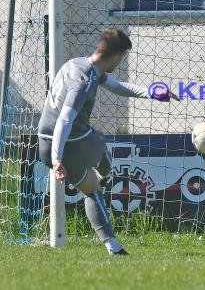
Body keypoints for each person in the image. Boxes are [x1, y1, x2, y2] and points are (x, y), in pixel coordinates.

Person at [38, 27, 178, 255]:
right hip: (71, 143)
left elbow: (116, 87)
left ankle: (113, 247)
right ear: (116, 56)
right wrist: (57, 159)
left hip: (45, 142)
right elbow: (64, 119)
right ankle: (104, 167)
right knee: (99, 141)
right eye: (122, 57)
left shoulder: (78, 64)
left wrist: (150, 93)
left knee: (92, 190)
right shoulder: (84, 81)